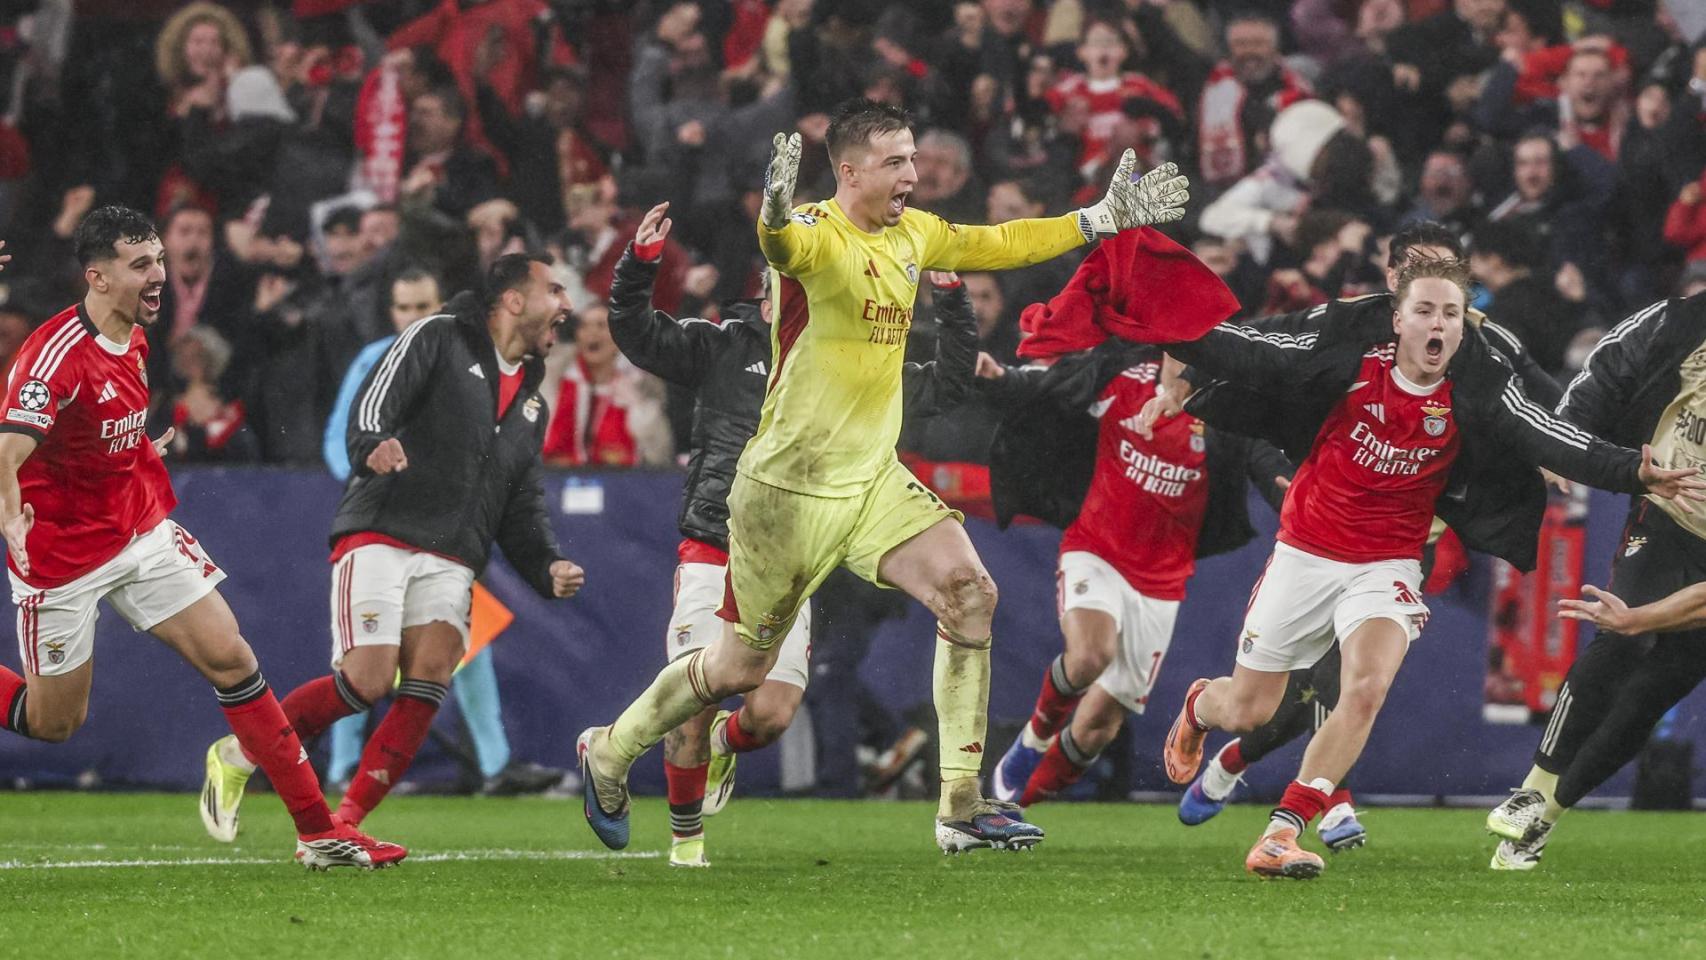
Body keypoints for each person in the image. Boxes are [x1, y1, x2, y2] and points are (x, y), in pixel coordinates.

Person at [574, 96, 1191, 855]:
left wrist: (1096, 220)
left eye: (913, 158)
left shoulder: (915, 234)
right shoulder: (815, 234)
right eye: (897, 161)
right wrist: (771, 217)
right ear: (851, 171)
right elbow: (784, 248)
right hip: (784, 493)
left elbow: (1001, 242)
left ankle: (961, 805)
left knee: (971, 594)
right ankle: (611, 749)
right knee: (739, 667)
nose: (914, 172)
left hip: (869, 480)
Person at [1155, 256, 1703, 880]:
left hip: (1388, 561)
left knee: (1364, 687)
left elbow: (1552, 436)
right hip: (1306, 551)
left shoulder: (1477, 391)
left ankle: (1283, 831)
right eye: (1424, 310)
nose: (1438, 324)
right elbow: (1251, 357)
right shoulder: (1342, 363)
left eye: (1451, 313)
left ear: (1464, 325)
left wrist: (1633, 472)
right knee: (1249, 708)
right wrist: (1169, 340)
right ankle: (1203, 707)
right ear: (1396, 319)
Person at [0, 208, 403, 870]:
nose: (158, 276)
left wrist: (134, 452)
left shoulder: (132, 334)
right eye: (141, 265)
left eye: (158, 259)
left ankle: (318, 832)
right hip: (62, 558)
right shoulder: (53, 360)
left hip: (137, 529)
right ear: (96, 277)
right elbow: (7, 454)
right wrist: (11, 516)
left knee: (233, 658)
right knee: (54, 723)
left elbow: (94, 437)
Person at [1166, 222, 1560, 851]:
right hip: (1315, 524)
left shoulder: (1484, 351)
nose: (1436, 303)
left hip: (1401, 547)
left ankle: (1290, 818)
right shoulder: (1348, 328)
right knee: (1259, 704)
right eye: (1420, 285)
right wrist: (1185, 352)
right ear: (1393, 282)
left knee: (1354, 686)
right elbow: (1265, 350)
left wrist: (1559, 451)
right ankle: (1217, 732)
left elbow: (1542, 400)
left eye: (1448, 286)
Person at [605, 200, 976, 866]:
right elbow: (636, 335)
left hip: (791, 560)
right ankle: (686, 847)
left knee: (770, 716)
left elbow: (949, 387)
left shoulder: (853, 365)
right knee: (697, 701)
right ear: (771, 295)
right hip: (714, 547)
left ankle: (717, 749)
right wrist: (639, 266)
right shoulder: (725, 346)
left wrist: (950, 300)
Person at [199, 252, 587, 837]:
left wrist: (545, 563)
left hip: (453, 551)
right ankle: (240, 754)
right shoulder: (437, 335)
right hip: (383, 529)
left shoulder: (533, 402)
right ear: (513, 299)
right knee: (367, 680)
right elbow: (373, 402)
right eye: (554, 291)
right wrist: (372, 443)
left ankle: (344, 824)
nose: (566, 305)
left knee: (431, 677)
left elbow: (521, 500)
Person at [984, 346, 1289, 810]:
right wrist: (1001, 378)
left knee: (1097, 728)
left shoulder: (1225, 412)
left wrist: (1290, 496)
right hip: (1097, 549)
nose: (1190, 357)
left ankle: (1012, 810)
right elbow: (1053, 386)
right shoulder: (1122, 376)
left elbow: (1266, 459)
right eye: (1182, 342)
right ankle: (1033, 738)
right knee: (1090, 654)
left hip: (1162, 580)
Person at [318, 266, 564, 798]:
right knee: (364, 667)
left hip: (445, 532)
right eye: (404, 307)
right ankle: (338, 765)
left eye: (422, 304)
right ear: (393, 312)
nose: (414, 316)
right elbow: (345, 435)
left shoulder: (471, 355)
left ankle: (494, 764)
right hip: (385, 522)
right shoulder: (388, 354)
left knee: (460, 648)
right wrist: (376, 471)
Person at [1486, 291, 1706, 871]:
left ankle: (1544, 817)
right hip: (1668, 509)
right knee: (1618, 639)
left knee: (1656, 692)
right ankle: (1534, 785)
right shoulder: (1683, 319)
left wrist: (1642, 620)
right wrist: (1568, 437)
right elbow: (1611, 363)